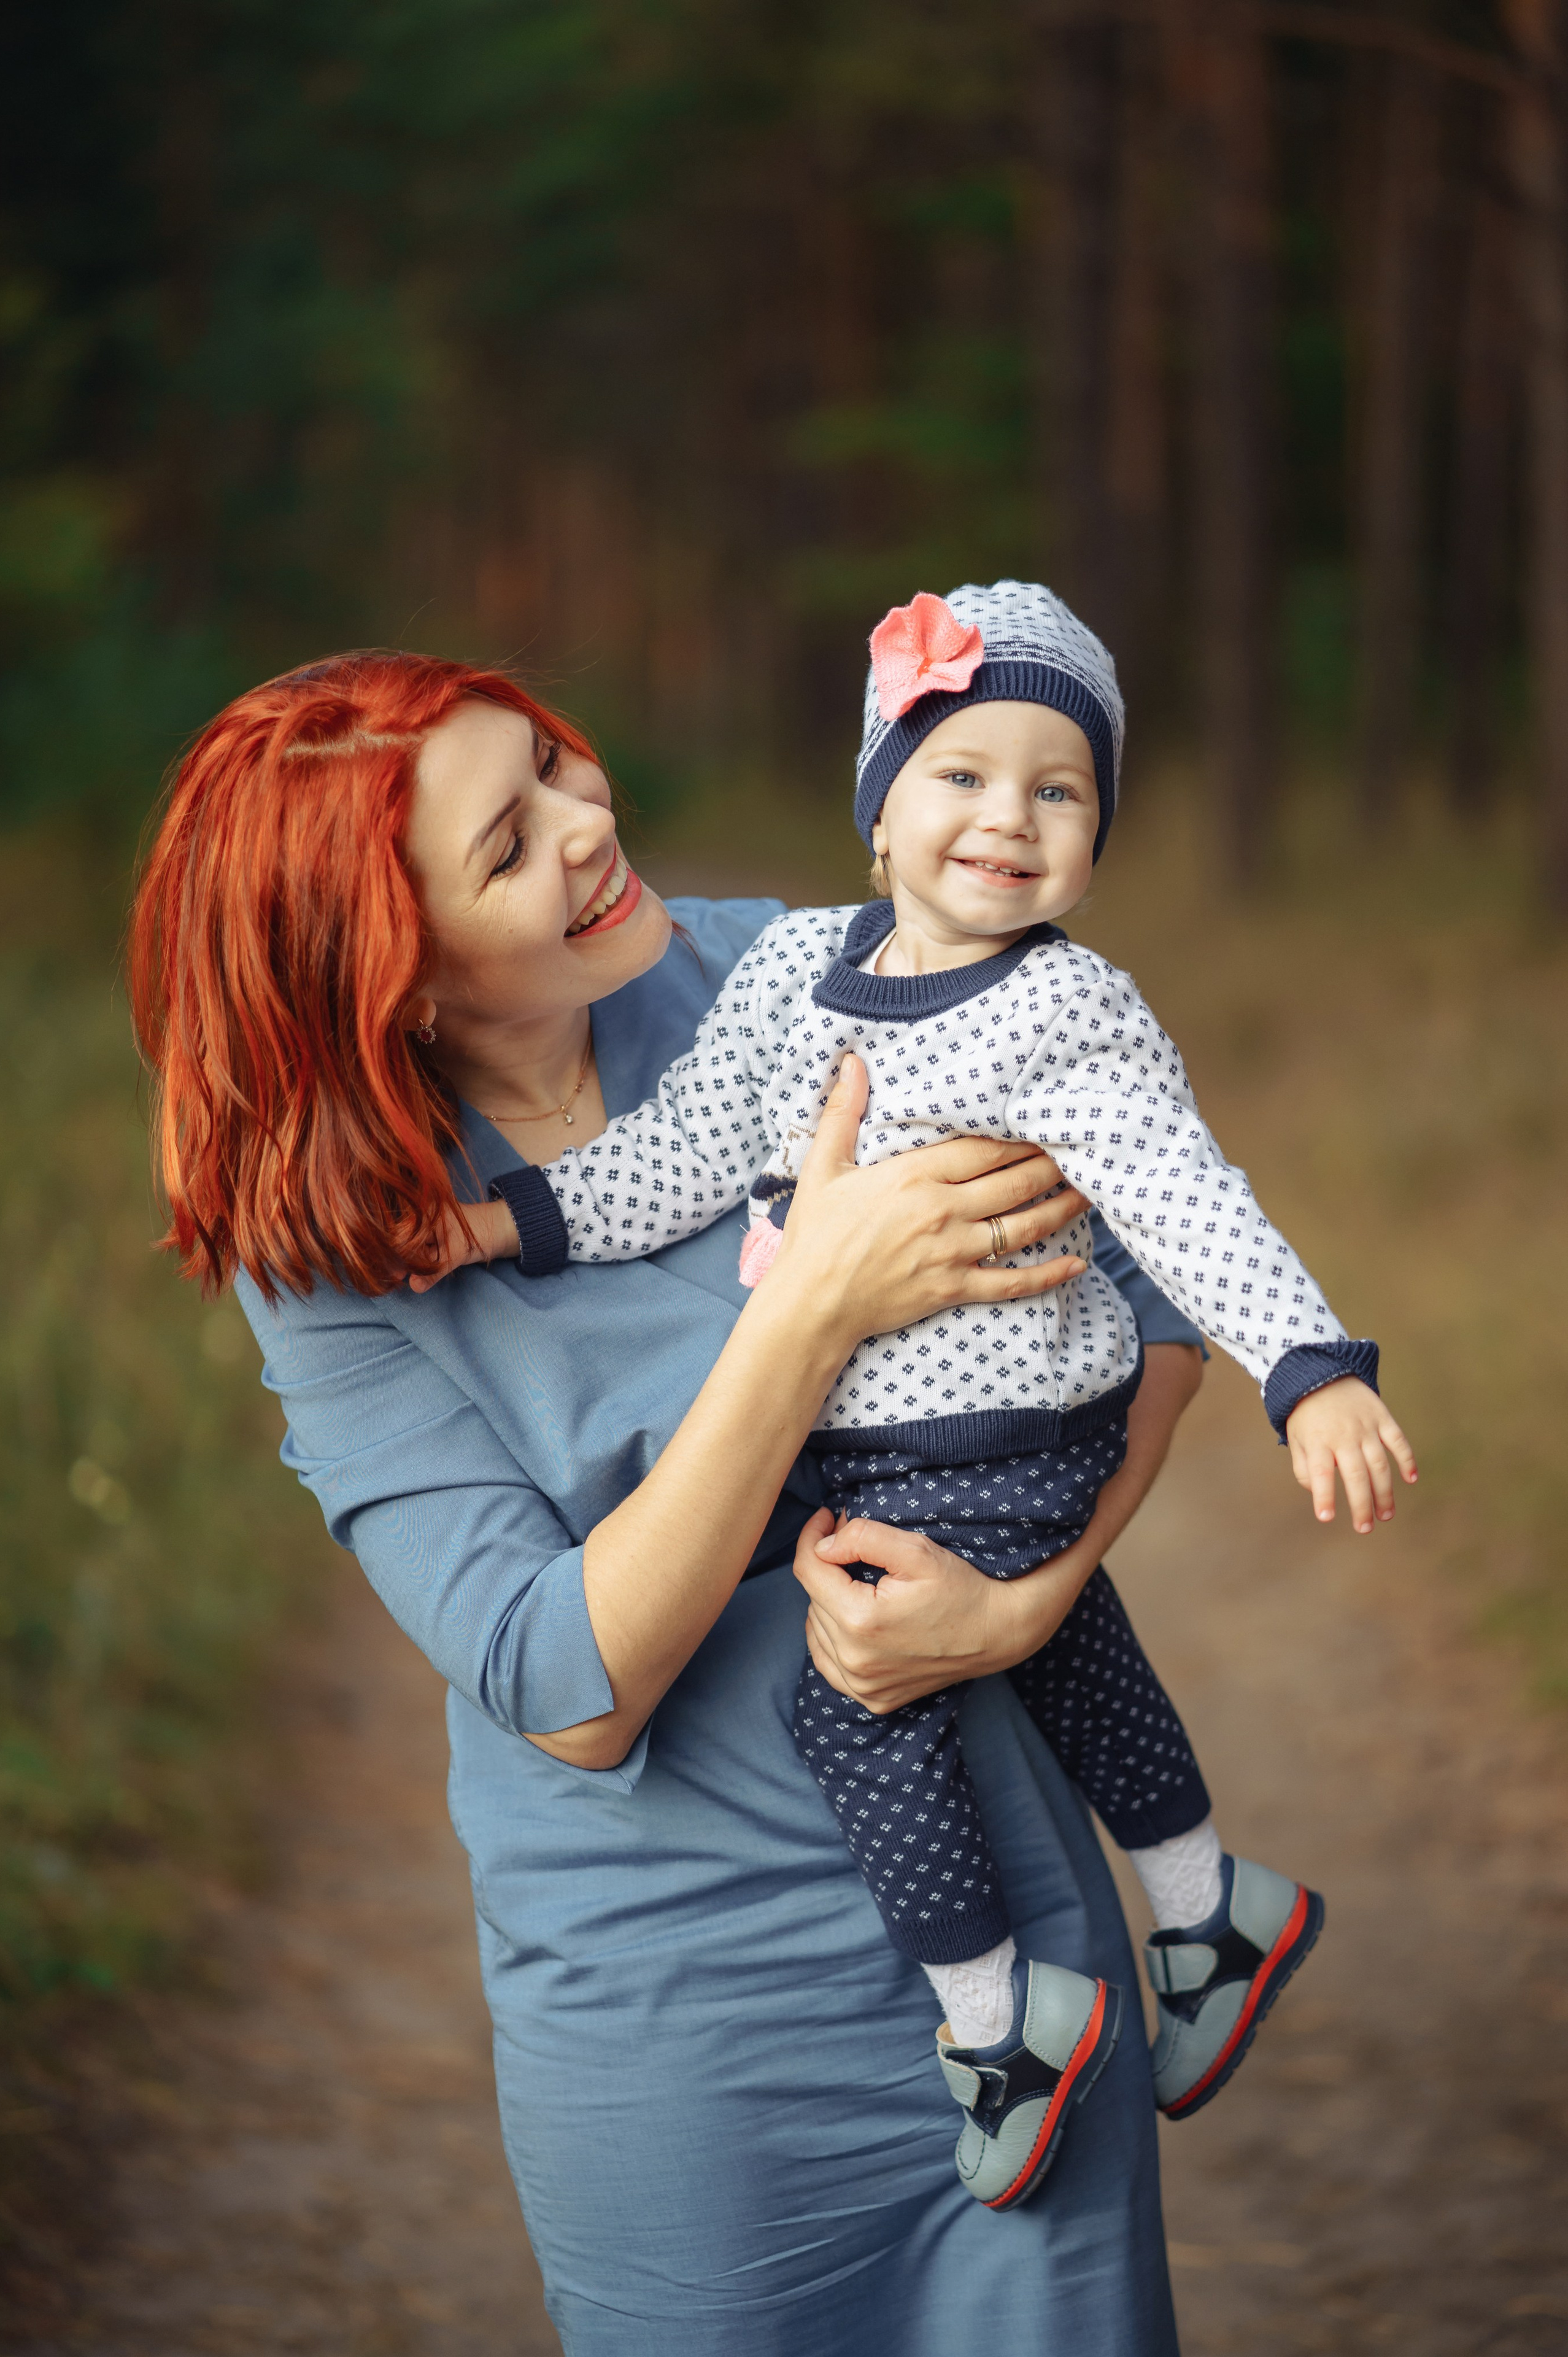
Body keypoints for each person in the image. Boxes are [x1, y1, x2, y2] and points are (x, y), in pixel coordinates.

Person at [129, 645, 1213, 2354]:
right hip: (685, 2041)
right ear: (389, 978)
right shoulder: (334, 1259)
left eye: (555, 763)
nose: (588, 820)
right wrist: (809, 1311)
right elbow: (568, 1683)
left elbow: (1144, 1287)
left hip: (1017, 1954)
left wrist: (1035, 1595)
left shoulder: (784, 974)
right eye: (509, 844)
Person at [442, 582, 1416, 2210]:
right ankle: (1208, 1910)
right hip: (896, 1444)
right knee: (1075, 1649)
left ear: (1097, 841)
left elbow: (1187, 1202)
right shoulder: (791, 979)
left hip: (1007, 1427)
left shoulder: (1068, 1008)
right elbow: (678, 1162)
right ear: (879, 810)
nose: (1010, 819)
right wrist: (504, 1220)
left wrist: (1311, 1370)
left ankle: (1003, 2027)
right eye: (962, 774)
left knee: (853, 1699)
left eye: (1061, 789)